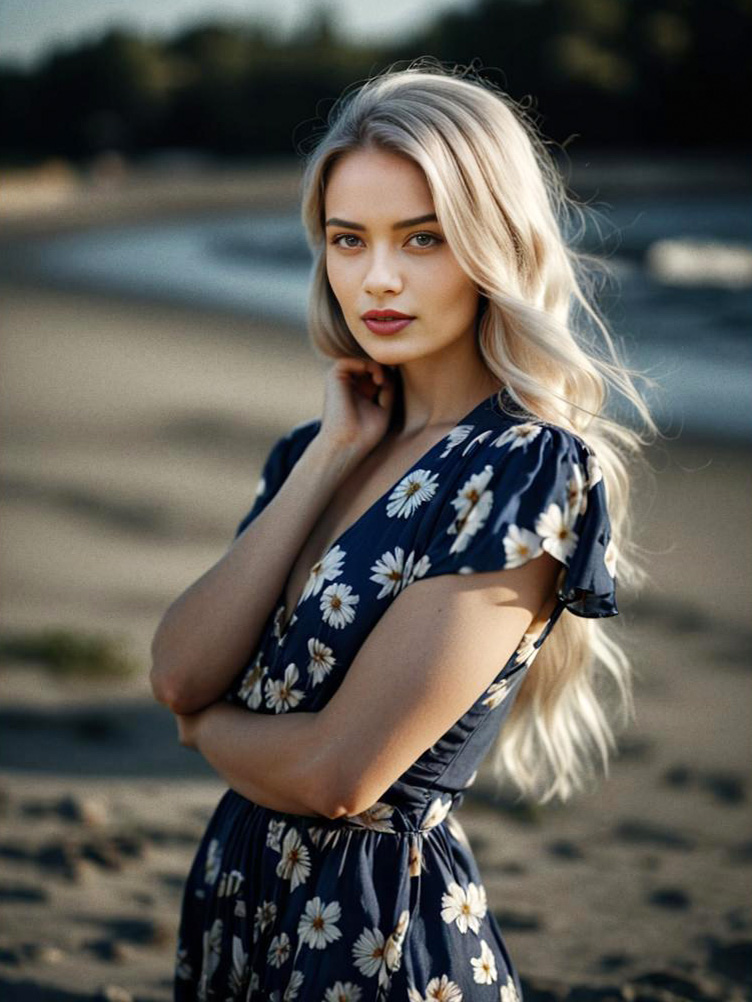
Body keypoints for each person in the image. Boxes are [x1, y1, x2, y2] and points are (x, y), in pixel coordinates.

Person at [150, 59, 656, 1002]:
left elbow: (342, 774)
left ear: (492, 244)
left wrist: (205, 730)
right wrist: (333, 452)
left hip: (373, 937)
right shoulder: (311, 450)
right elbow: (178, 668)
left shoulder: (524, 470)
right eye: (350, 239)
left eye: (421, 239)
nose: (376, 278)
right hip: (238, 889)